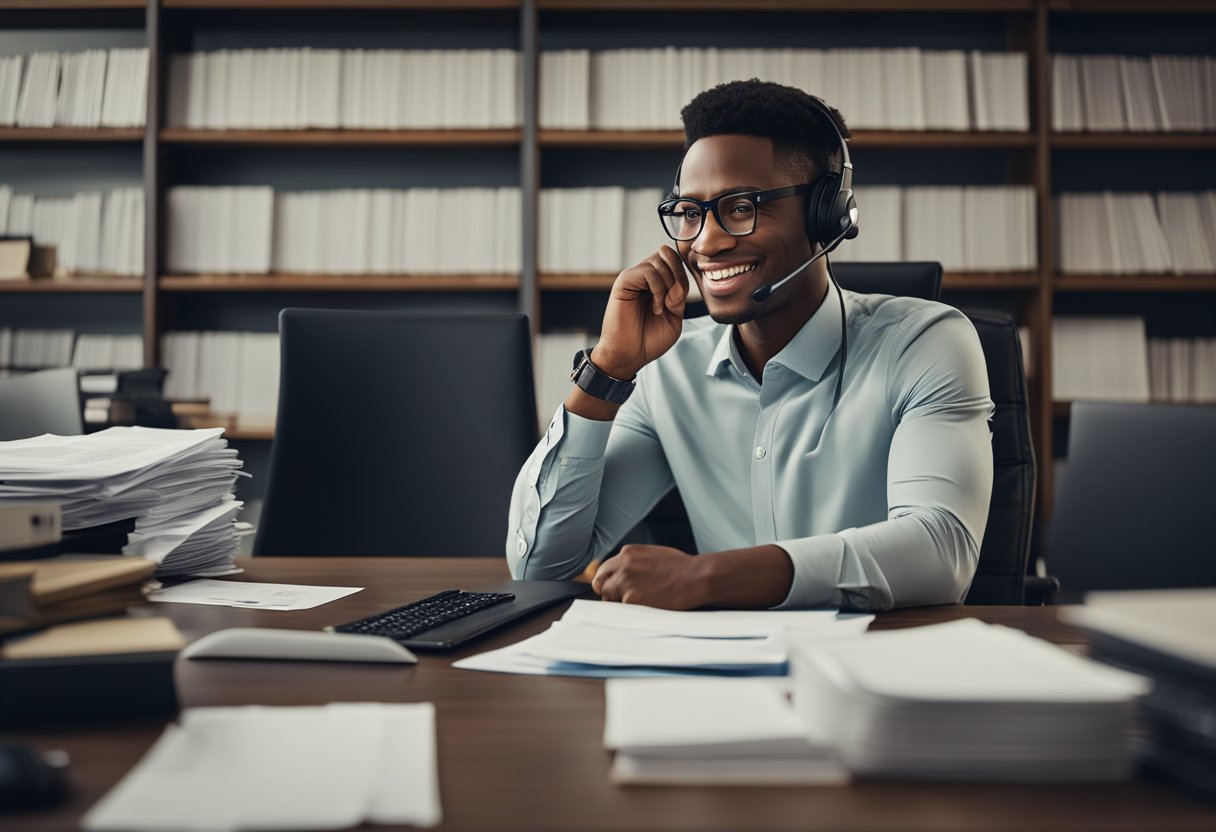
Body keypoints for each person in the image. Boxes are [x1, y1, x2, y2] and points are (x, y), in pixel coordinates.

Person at [507, 79, 994, 611]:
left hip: (873, 668)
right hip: (719, 674)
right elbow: (540, 566)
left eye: (741, 207)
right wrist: (607, 370)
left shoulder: (925, 344)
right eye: (690, 213)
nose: (707, 243)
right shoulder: (665, 371)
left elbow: (941, 551)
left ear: (824, 215)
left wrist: (711, 578)